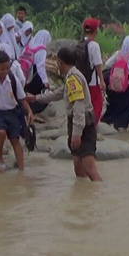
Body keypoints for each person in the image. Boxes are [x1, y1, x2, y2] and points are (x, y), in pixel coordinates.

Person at [29, 47, 102, 181]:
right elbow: (59, 93)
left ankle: (99, 195)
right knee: (78, 166)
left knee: (89, 168)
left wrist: (76, 134)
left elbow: (79, 107)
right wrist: (36, 98)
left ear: (60, 62)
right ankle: (85, 197)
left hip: (82, 123)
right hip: (76, 122)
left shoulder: (73, 78)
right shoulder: (71, 76)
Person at [101, 35, 129, 130]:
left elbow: (107, 64)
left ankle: (107, 121)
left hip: (114, 83)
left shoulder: (118, 53)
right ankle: (120, 125)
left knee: (113, 103)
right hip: (127, 85)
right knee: (127, 106)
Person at [82, 18, 106, 124]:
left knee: (85, 104)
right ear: (95, 31)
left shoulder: (81, 43)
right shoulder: (94, 45)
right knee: (97, 104)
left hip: (82, 79)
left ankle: (83, 124)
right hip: (92, 81)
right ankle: (92, 126)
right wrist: (102, 80)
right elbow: (97, 64)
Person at [24, 30, 52, 121]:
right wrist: (45, 82)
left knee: (27, 94)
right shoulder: (41, 49)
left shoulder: (29, 45)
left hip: (26, 75)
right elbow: (41, 67)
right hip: (35, 76)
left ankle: (26, 110)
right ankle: (32, 113)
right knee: (44, 96)